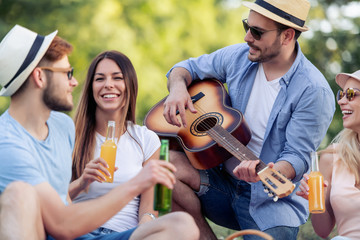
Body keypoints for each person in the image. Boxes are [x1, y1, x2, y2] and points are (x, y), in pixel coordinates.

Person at [0, 25, 199, 240]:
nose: (74, 82)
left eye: (117, 77)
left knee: (182, 225)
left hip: (114, 233)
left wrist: (83, 183)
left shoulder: (60, 126)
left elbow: (61, 197)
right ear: (39, 77)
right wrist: (135, 183)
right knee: (19, 194)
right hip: (67, 231)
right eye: (67, 73)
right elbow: (61, 223)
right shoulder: (10, 145)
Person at [161, 0, 335, 239]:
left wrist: (271, 171)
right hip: (219, 181)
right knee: (163, 167)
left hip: (270, 201)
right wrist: (178, 88)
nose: (247, 37)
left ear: (287, 36)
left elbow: (298, 155)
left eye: (257, 32)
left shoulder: (313, 90)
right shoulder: (240, 57)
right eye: (247, 26)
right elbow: (185, 67)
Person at [69, 50, 182, 234]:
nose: (108, 85)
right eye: (99, 79)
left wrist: (144, 231)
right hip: (79, 231)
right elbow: (52, 203)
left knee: (180, 224)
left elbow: (149, 211)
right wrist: (81, 182)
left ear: (129, 85)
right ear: (90, 88)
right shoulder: (71, 135)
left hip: (122, 235)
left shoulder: (146, 140)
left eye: (117, 78)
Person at [296, 70, 360, 240]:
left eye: (351, 95)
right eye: (341, 94)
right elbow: (322, 231)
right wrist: (317, 199)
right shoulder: (331, 157)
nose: (341, 101)